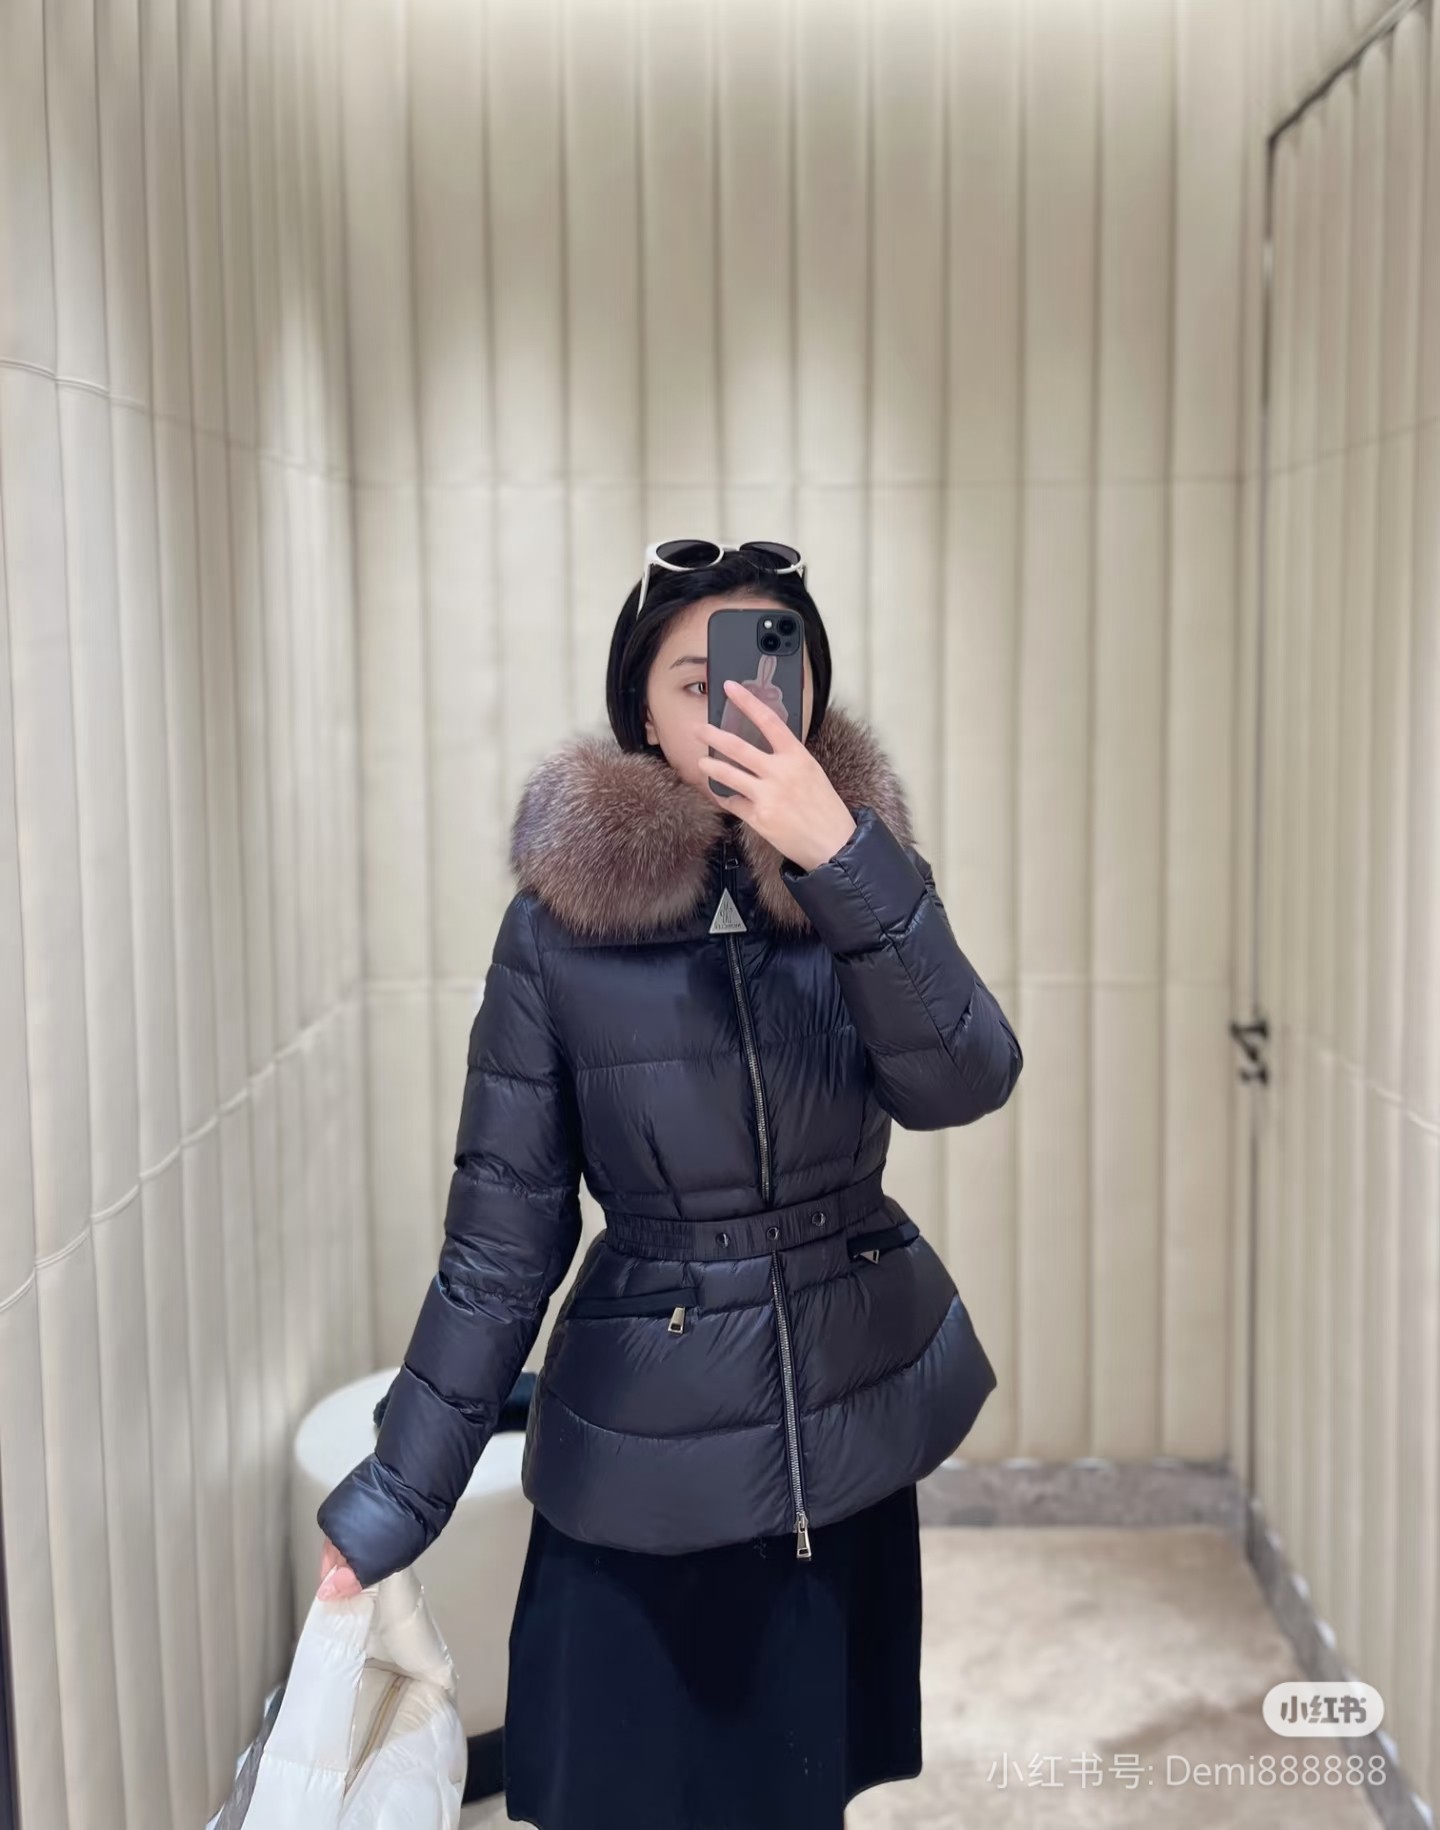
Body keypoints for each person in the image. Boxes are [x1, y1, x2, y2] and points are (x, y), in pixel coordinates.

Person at [314, 540, 1023, 1829]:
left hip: (839, 1451)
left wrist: (841, 857)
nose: (744, 704)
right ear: (641, 710)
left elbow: (966, 1078)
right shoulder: (557, 930)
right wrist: (394, 1498)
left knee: (799, 1797)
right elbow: (500, 1241)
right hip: (645, 1459)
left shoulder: (862, 879)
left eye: (771, 670)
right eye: (699, 683)